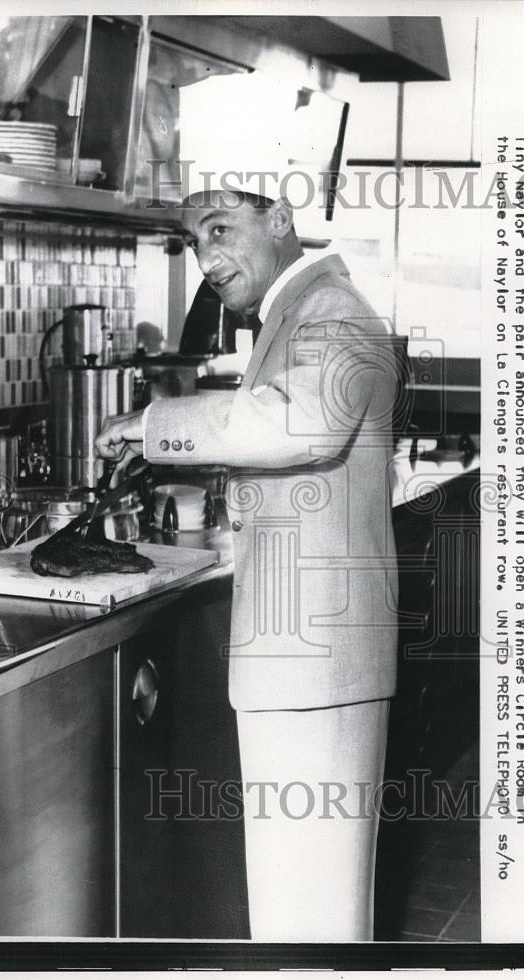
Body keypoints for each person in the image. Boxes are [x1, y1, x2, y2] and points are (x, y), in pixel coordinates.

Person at [95, 184, 401, 942]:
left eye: (220, 227)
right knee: (297, 908)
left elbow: (299, 423)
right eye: (194, 240)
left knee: (312, 914)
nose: (206, 257)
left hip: (315, 658)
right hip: (302, 654)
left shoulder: (333, 311)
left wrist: (152, 423)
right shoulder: (297, 314)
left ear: (281, 219)